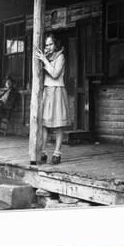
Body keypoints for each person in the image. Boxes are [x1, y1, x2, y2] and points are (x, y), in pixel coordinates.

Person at [34, 32, 70, 165]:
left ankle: (57, 153)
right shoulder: (46, 56)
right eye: (46, 44)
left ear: (56, 45)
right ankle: (43, 151)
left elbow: (55, 74)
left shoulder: (60, 56)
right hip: (47, 91)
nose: (48, 47)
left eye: (50, 44)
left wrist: (44, 60)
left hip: (57, 90)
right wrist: (43, 58)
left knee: (58, 125)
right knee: (44, 124)